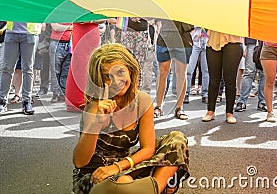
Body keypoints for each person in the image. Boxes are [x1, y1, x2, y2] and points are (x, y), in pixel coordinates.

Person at [72, 43, 189, 194]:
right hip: (95, 177)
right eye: (108, 76)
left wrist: (118, 168)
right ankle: (146, 187)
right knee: (120, 184)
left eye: (120, 72)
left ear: (130, 70)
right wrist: (96, 124)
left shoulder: (143, 101)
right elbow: (80, 161)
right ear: (99, 80)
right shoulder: (96, 106)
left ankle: (155, 188)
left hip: (125, 169)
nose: (116, 81)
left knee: (177, 140)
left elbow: (148, 149)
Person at [0, 21, 41, 115]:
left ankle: (27, 101)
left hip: (30, 33)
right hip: (11, 32)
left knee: (28, 69)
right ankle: (1, 101)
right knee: (7, 68)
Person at [154, 19, 193, 120]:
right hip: (165, 34)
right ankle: (158, 106)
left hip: (183, 35)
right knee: (163, 72)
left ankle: (179, 108)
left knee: (181, 72)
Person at [202, 30, 243, 124]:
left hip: (234, 40)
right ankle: (210, 111)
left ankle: (229, 113)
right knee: (213, 79)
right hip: (213, 40)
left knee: (230, 80)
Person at [234, 39, 266, 112]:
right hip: (252, 41)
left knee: (264, 73)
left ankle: (262, 102)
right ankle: (242, 101)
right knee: (249, 72)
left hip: (266, 41)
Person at [184, 26, 209, 104]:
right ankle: (186, 93)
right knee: (189, 70)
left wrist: (204, 31)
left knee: (206, 71)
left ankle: (205, 94)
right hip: (194, 42)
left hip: (207, 41)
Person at [49, 23, 72, 103]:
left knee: (66, 71)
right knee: (55, 71)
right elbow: (55, 27)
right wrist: (71, 27)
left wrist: (65, 28)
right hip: (57, 42)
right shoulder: (56, 11)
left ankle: (63, 94)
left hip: (70, 43)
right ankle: (55, 93)